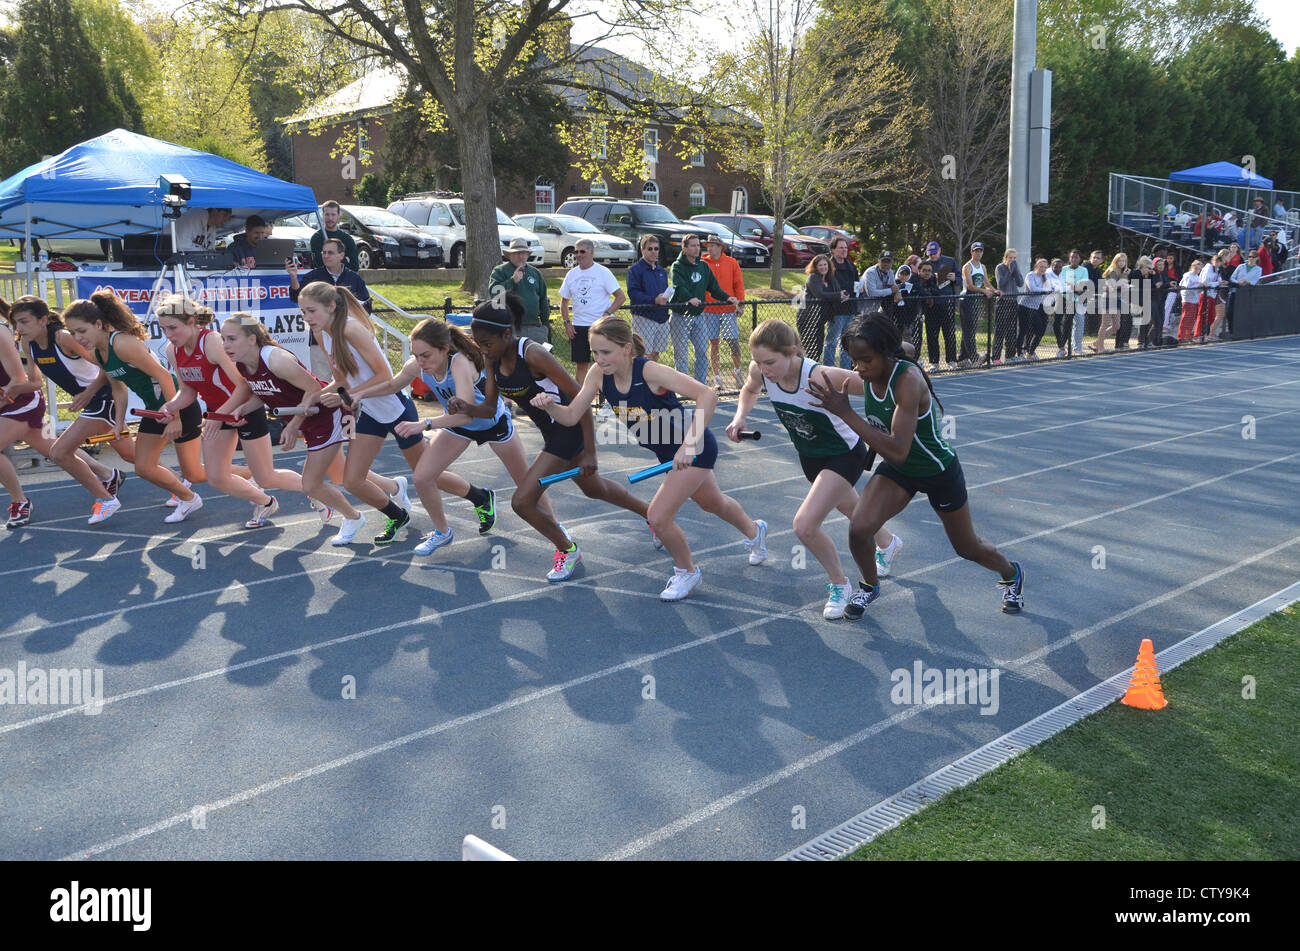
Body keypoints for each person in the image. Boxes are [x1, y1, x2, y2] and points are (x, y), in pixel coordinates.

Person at [532, 315, 768, 602]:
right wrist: (550, 407)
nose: (599, 358)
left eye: (605, 352)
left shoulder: (650, 372)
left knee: (657, 517)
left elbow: (707, 395)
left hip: (694, 447)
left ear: (627, 348)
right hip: (669, 453)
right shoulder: (598, 374)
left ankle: (687, 571)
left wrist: (689, 446)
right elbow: (570, 417)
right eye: (594, 352)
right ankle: (756, 532)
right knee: (712, 502)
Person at [807, 314, 1025, 618]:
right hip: (901, 472)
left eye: (866, 360)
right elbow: (904, 347)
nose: (859, 368)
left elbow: (897, 449)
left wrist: (846, 413)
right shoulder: (877, 367)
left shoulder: (908, 381)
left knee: (967, 547)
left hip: (936, 470)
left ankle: (1011, 573)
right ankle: (869, 586)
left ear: (885, 353)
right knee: (859, 529)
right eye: (854, 360)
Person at [455, 296, 654, 582]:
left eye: (487, 343)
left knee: (522, 502)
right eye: (479, 344)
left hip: (570, 429)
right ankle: (652, 515)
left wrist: (590, 452)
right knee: (595, 489)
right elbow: (488, 409)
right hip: (553, 432)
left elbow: (580, 397)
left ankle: (567, 549)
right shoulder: (492, 359)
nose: (483, 350)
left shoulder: (533, 355)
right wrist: (466, 407)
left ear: (507, 334)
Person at [727, 319, 903, 619]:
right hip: (810, 455)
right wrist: (740, 416)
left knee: (804, 525)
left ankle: (840, 584)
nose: (763, 368)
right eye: (757, 361)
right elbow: (749, 389)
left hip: (844, 455)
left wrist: (895, 416)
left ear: (792, 352)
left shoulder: (821, 375)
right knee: (851, 509)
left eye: (770, 361)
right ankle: (887, 543)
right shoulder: (761, 371)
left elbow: (880, 381)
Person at [299, 281, 494, 546]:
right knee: (352, 480)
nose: (306, 318)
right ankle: (396, 514)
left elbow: (384, 376)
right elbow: (342, 379)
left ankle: (480, 497)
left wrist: (354, 395)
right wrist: (320, 395)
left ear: (331, 306)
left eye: (311, 311)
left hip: (395, 408)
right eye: (303, 312)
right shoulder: (323, 333)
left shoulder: (351, 329)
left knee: (427, 475)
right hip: (371, 410)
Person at [358, 316, 560, 556]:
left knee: (527, 485)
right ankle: (442, 532)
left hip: (491, 424)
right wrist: (356, 394)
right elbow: (392, 386)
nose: (420, 362)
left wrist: (424, 424)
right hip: (457, 426)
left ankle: (560, 534)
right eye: (416, 355)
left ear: (444, 349)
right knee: (422, 477)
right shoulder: (417, 365)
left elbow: (467, 415)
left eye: (426, 355)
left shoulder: (460, 363)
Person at [156, 294, 299, 530]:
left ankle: (317, 491)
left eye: (173, 327)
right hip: (218, 413)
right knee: (216, 478)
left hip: (244, 408)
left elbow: (243, 385)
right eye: (163, 329)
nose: (169, 335)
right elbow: (187, 392)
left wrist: (217, 415)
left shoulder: (211, 341)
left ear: (192, 322)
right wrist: (170, 406)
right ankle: (265, 502)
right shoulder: (173, 350)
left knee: (266, 476)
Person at [221, 314, 369, 540]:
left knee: (311, 484)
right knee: (342, 475)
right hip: (307, 419)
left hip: (326, 413)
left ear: (252, 339)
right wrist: (243, 409)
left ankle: (353, 517)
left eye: (231, 339)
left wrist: (293, 427)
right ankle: (394, 490)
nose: (225, 345)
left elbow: (313, 391)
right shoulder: (243, 363)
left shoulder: (276, 359)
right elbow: (266, 392)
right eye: (223, 339)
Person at [63, 292, 207, 522]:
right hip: (155, 408)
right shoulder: (99, 354)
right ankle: (189, 499)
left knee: (196, 473)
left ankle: (252, 475)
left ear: (98, 324)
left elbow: (165, 377)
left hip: (177, 404)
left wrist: (175, 416)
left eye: (82, 331)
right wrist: (118, 423)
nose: (77, 338)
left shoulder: (122, 343)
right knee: (144, 467)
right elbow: (118, 389)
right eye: (72, 333)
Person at [6, 296, 134, 523]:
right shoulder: (28, 344)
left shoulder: (63, 338)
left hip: (104, 398)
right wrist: (12, 389)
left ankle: (105, 500)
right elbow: (35, 383)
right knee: (134, 457)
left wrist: (87, 393)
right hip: (94, 403)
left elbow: (107, 362)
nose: (19, 328)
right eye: (15, 323)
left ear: (43, 320)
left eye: (24, 321)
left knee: (59, 453)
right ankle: (183, 483)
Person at [668, 234, 734, 386]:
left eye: (698, 245)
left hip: (699, 316)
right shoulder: (677, 266)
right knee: (682, 355)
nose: (697, 248)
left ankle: (700, 385)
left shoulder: (703, 266)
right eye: (693, 245)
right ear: (684, 248)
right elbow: (679, 287)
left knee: (702, 354)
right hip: (681, 316)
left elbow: (714, 287)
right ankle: (683, 388)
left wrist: (727, 297)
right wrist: (689, 299)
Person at [560, 237, 625, 386]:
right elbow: (564, 302)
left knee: (605, 364)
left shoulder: (603, 272)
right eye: (576, 252)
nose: (579, 255)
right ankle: (581, 401)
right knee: (581, 365)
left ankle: (606, 399)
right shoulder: (571, 274)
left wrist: (607, 314)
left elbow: (620, 297)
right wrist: (567, 323)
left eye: (582, 251)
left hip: (601, 327)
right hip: (579, 327)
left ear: (591, 252)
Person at [702, 234, 745, 389]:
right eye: (708, 245)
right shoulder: (703, 263)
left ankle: (737, 371)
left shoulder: (731, 262)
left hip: (728, 310)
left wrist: (740, 304)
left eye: (713, 245)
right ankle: (717, 376)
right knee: (714, 343)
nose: (710, 248)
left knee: (733, 342)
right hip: (709, 310)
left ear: (721, 247)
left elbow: (738, 284)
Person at [489, 237, 550, 344]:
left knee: (538, 359)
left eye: (524, 253)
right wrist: (512, 281)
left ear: (527, 255)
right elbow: (494, 295)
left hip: (534, 327)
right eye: (517, 253)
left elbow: (543, 299)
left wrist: (545, 325)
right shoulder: (500, 271)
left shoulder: (535, 273)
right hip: (510, 327)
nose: (521, 256)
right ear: (510, 255)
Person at [287, 238, 371, 313]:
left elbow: (367, 307)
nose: (325, 256)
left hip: (348, 328)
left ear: (341, 255)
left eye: (330, 253)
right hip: (320, 329)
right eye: (324, 252)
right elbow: (296, 297)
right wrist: (293, 277)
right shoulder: (313, 276)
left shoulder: (354, 278)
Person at [625, 234, 671, 363]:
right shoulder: (635, 270)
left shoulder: (661, 271)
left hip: (661, 318)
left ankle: (652, 381)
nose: (653, 252)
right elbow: (633, 293)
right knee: (643, 354)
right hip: (644, 317)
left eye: (656, 249)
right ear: (642, 250)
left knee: (655, 354)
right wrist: (653, 300)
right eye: (650, 249)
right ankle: (642, 380)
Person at [798, 254, 844, 363]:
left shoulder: (830, 278)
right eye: (820, 265)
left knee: (818, 349)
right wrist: (838, 295)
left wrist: (843, 296)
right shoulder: (813, 277)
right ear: (815, 267)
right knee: (809, 349)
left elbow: (838, 292)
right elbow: (820, 294)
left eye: (825, 264)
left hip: (820, 319)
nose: (823, 267)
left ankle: (811, 373)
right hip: (808, 318)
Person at [824, 236, 861, 369]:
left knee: (848, 342)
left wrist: (859, 289)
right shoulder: (828, 266)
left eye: (845, 248)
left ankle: (845, 370)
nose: (844, 250)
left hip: (850, 309)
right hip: (836, 311)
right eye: (841, 248)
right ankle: (828, 370)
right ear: (833, 250)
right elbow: (825, 287)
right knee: (831, 342)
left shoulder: (851, 266)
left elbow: (856, 285)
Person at [915, 260, 956, 368]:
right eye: (924, 270)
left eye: (929, 271)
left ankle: (951, 361)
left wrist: (929, 293)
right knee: (932, 336)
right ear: (919, 271)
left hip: (943, 307)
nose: (927, 273)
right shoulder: (915, 279)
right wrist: (929, 294)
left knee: (949, 335)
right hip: (929, 310)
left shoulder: (934, 278)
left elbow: (937, 291)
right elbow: (921, 291)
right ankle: (934, 363)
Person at [960, 242, 995, 366]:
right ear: (971, 252)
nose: (978, 253)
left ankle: (962, 358)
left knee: (969, 329)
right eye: (976, 251)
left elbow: (987, 283)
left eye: (980, 251)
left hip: (975, 301)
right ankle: (974, 358)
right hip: (967, 299)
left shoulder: (982, 267)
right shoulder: (967, 266)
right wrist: (984, 291)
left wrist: (995, 291)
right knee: (969, 330)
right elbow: (970, 285)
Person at [1223, 248, 1263, 340]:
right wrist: (1237, 282)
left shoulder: (1258, 269)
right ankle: (1231, 330)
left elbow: (1254, 281)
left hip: (1246, 293)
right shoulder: (1241, 266)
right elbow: (1232, 278)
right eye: (1249, 256)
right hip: (1235, 291)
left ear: (1257, 258)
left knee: (1243, 312)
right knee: (1230, 311)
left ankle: (1241, 331)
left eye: (1253, 257)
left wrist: (1246, 281)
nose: (1251, 258)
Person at [309, 200, 360, 271]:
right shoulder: (317, 238)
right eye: (327, 214)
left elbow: (354, 267)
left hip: (344, 280)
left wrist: (329, 261)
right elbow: (319, 264)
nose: (330, 218)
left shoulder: (347, 239)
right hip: (323, 280)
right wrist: (344, 260)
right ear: (323, 215)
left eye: (333, 215)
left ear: (338, 215)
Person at [992, 248, 1022, 363]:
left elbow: (1020, 283)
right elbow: (1001, 284)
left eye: (1014, 258)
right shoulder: (1000, 267)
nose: (1012, 260)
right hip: (1003, 301)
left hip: (1013, 301)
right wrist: (1009, 270)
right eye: (1010, 258)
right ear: (1006, 258)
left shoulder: (1015, 268)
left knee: (1012, 330)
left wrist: (1016, 270)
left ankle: (1010, 355)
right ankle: (996, 357)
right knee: (1000, 330)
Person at [1094, 252, 1127, 353]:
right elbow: (1112, 287)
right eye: (1119, 261)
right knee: (1105, 324)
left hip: (1116, 299)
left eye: (1123, 261)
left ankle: (1098, 342)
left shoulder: (1121, 272)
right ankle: (1100, 348)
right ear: (1115, 261)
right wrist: (1124, 279)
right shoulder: (1112, 271)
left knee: (1116, 325)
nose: (1121, 263)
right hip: (1108, 299)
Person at [1060, 249, 1090, 357]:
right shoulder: (1064, 269)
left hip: (1080, 300)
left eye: (1076, 257)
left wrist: (1073, 286)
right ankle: (1062, 348)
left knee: (1079, 324)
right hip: (1067, 300)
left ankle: (1077, 348)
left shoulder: (1084, 270)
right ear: (1069, 258)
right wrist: (1074, 287)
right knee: (1066, 325)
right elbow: (1064, 284)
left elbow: (1082, 285)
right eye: (1072, 257)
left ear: (1080, 259)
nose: (1074, 259)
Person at [1019, 258, 1051, 358]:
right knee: (1023, 331)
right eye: (1041, 266)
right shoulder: (1030, 275)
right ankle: (1019, 353)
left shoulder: (1044, 278)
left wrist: (1046, 291)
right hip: (1025, 306)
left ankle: (1030, 352)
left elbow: (1049, 290)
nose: (1043, 269)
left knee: (1040, 331)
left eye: (1045, 267)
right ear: (1036, 266)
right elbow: (1033, 289)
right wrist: (1044, 290)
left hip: (1035, 308)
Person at [1176, 258, 1204, 343]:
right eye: (1196, 268)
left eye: (1199, 269)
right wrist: (1194, 289)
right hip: (1188, 299)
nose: (1197, 270)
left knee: (1191, 319)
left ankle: (1187, 336)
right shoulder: (1188, 275)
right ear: (1192, 267)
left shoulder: (1197, 277)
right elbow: (1185, 286)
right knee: (1186, 318)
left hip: (1195, 299)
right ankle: (1181, 336)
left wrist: (1200, 288)